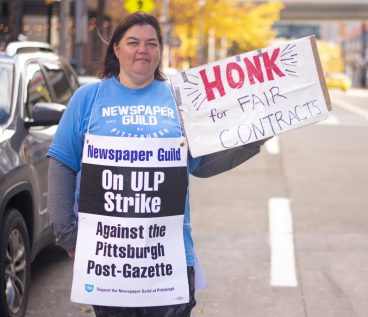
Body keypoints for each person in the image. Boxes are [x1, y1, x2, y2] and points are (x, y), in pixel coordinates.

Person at [47, 12, 266, 317]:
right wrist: (68, 236)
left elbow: (201, 164)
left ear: (160, 51)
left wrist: (254, 136)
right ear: (116, 49)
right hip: (110, 260)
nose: (143, 50)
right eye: (133, 42)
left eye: (152, 43)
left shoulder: (179, 100)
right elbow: (62, 165)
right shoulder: (88, 98)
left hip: (170, 259)